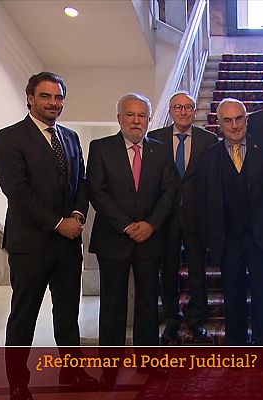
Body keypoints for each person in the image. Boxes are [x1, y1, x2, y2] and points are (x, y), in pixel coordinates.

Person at [0, 72, 97, 400]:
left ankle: (72, 372)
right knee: (24, 317)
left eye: (59, 97)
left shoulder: (69, 137)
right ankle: (18, 383)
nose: (54, 103)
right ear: (30, 98)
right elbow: (18, 192)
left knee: (68, 315)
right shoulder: (10, 137)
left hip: (67, 246)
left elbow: (82, 182)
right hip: (31, 246)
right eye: (46, 96)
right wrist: (57, 223)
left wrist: (78, 215)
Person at [87, 93, 176, 389]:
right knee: (112, 305)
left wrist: (150, 224)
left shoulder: (162, 151)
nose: (136, 121)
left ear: (149, 120)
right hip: (114, 239)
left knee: (149, 303)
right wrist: (127, 225)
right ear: (119, 118)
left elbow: (169, 192)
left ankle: (147, 361)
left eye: (142, 116)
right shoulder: (100, 148)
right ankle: (109, 368)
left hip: (150, 239)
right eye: (130, 115)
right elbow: (97, 192)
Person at [196, 98, 263, 345]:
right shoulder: (208, 158)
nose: (234, 125)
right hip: (227, 239)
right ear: (218, 123)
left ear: (246, 119)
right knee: (232, 295)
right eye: (228, 120)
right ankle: (236, 347)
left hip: (262, 237)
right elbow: (202, 202)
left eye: (239, 119)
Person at [148, 92, 217, 345]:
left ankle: (198, 319)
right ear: (170, 110)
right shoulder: (155, 138)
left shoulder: (208, 139)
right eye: (178, 107)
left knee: (198, 269)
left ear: (194, 110)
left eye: (189, 107)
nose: (184, 112)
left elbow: (212, 180)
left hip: (197, 216)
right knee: (168, 270)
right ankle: (172, 318)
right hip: (164, 217)